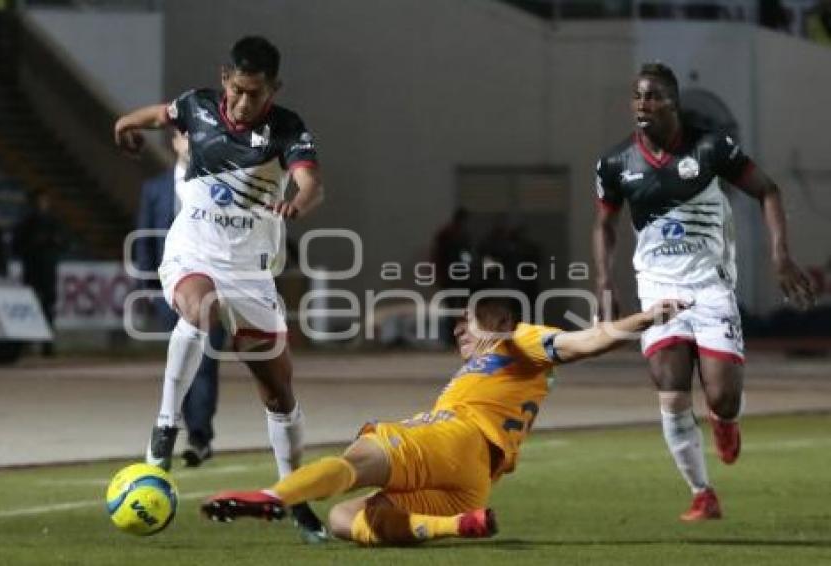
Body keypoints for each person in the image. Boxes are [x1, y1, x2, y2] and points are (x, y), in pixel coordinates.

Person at [200, 290, 687, 545]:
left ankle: (272, 497)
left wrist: (647, 319)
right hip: (473, 483)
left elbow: (589, 339)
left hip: (459, 438)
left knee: (362, 455)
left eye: (468, 321)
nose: (458, 328)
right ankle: (457, 527)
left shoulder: (518, 340)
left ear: (498, 324)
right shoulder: (489, 369)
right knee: (348, 517)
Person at [114, 35, 326, 540]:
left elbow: (312, 181)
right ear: (224, 77)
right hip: (193, 255)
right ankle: (166, 427)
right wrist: (123, 123)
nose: (244, 102)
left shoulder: (287, 127)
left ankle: (292, 497)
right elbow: (161, 115)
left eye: (256, 93)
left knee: (278, 394)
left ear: (274, 88)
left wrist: (299, 202)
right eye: (237, 89)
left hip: (252, 273)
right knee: (199, 309)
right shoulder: (197, 107)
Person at [592, 62, 815, 521]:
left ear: (673, 102)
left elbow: (768, 190)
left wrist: (780, 256)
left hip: (711, 285)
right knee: (670, 388)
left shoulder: (710, 148)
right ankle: (702, 492)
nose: (642, 104)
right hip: (657, 286)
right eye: (637, 96)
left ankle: (725, 421)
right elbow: (604, 225)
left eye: (652, 96)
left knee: (721, 396)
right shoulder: (616, 163)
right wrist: (604, 280)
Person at [135, 130, 227, 467]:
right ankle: (172, 425)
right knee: (180, 361)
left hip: (211, 286)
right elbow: (144, 239)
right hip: (167, 287)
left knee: (205, 363)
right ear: (173, 143)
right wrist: (144, 287)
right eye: (185, 137)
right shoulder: (154, 188)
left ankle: (199, 436)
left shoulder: (220, 185)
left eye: (197, 137)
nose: (192, 143)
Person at [14, 192, 64, 357]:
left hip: (48, 270)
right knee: (30, 306)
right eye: (40, 201)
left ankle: (47, 344)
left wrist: (53, 245)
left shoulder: (54, 222)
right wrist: (34, 246)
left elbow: (63, 242)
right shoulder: (26, 223)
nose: (43, 204)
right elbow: (17, 245)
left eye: (45, 201)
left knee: (48, 307)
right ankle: (26, 344)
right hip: (33, 269)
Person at [430, 207, 474, 344]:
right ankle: (452, 338)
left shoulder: (459, 234)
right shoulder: (449, 234)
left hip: (458, 277)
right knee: (453, 308)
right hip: (451, 277)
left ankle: (457, 337)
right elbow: (439, 255)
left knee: (458, 308)